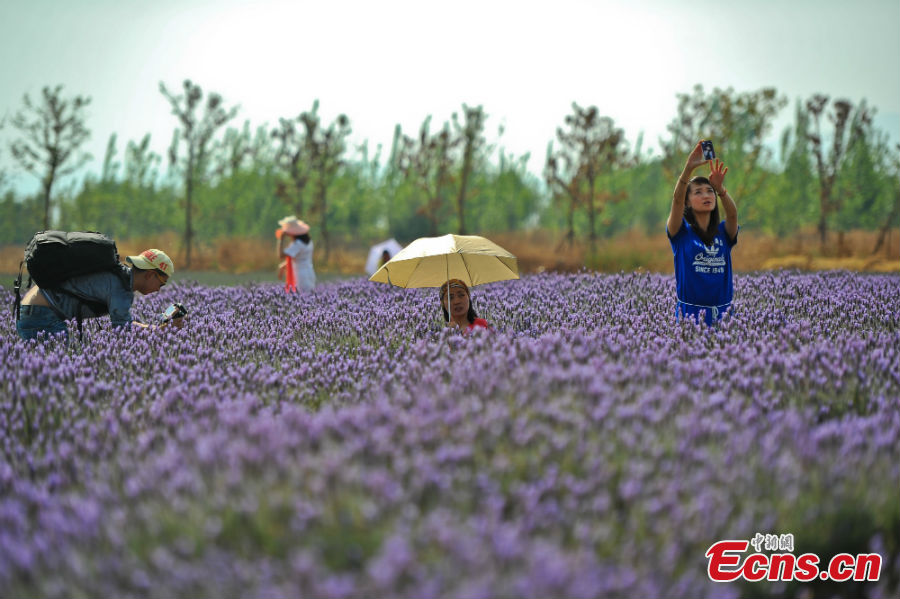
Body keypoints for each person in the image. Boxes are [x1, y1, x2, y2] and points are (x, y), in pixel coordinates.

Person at [16, 248, 179, 341]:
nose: (159, 289)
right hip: (41, 315)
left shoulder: (117, 274)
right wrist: (159, 330)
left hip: (34, 308)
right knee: (63, 367)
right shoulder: (121, 290)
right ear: (150, 274)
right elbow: (123, 329)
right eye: (161, 283)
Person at [667, 140, 739, 326]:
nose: (706, 195)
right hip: (690, 315)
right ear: (687, 202)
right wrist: (688, 168)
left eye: (709, 192)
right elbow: (676, 201)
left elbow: (732, 214)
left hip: (724, 314)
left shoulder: (723, 233)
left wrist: (720, 189)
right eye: (698, 192)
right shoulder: (681, 233)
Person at [276, 216, 315, 292]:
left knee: (301, 295)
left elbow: (280, 255)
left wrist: (281, 239)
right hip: (309, 272)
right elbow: (299, 258)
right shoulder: (308, 242)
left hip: (300, 275)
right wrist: (284, 265)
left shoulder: (297, 244)